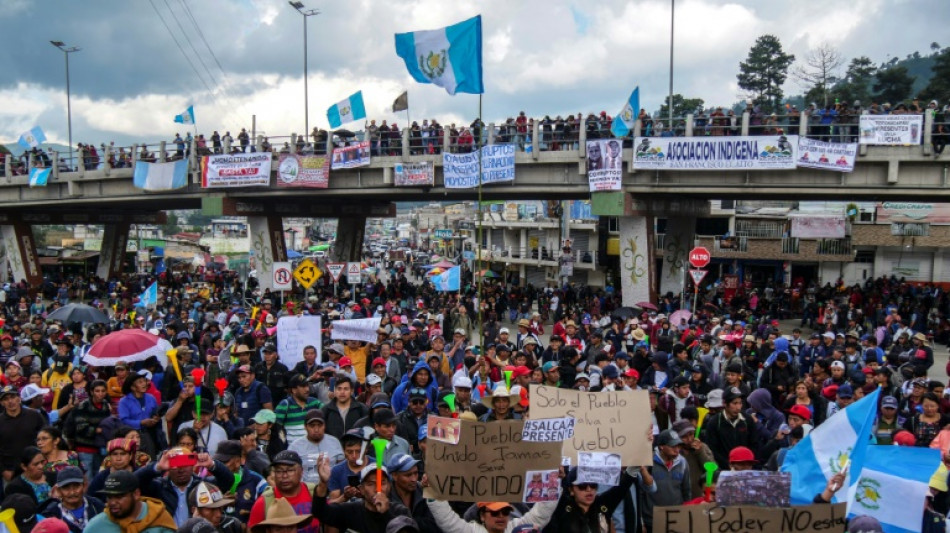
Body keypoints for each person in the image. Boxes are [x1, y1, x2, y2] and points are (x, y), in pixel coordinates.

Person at [135, 446, 235, 527]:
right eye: (175, 465)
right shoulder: (159, 487)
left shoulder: (202, 486)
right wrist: (157, 467)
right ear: (168, 468)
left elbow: (228, 480)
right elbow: (134, 482)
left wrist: (212, 464)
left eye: (185, 464)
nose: (181, 470)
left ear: (192, 465)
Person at [312, 457, 411, 533]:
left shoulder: (401, 512)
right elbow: (319, 512)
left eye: (382, 483)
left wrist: (385, 514)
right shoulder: (349, 511)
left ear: (389, 486)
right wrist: (323, 483)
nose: (377, 489)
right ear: (362, 489)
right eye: (371, 484)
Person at [247, 450, 320, 533]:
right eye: (279, 471)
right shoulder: (263, 503)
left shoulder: (315, 494)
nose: (284, 476)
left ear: (301, 471)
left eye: (290, 470)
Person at [84, 470, 177, 532]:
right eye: (109, 497)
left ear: (136, 494)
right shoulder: (97, 525)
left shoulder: (160, 519)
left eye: (119, 497)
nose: (112, 502)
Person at [703, 387, 759, 470]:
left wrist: (745, 464)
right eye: (734, 403)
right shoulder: (714, 423)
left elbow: (754, 444)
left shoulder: (747, 420)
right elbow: (712, 449)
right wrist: (728, 465)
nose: (738, 407)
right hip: (723, 469)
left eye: (740, 403)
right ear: (725, 403)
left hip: (745, 468)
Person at [644, 430, 690, 530]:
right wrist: (641, 521)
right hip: (652, 520)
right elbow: (640, 493)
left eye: (678, 446)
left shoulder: (683, 462)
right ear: (661, 446)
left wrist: (686, 515)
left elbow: (686, 491)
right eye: (673, 446)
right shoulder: (648, 462)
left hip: (676, 518)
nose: (677, 450)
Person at [63, 378, 111, 474]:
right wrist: (97, 430)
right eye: (97, 391)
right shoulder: (83, 406)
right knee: (87, 475)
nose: (100, 394)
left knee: (99, 474)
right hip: (85, 448)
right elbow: (81, 427)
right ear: (92, 392)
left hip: (100, 447)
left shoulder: (106, 406)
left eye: (103, 391)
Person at [37, 466, 104, 533]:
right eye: (66, 487)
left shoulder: (96, 506)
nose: (72, 492)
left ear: (84, 486)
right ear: (59, 490)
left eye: (76, 486)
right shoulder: (51, 515)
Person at [0, 384, 46, 481]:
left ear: (19, 398)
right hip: (10, 471)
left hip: (36, 468)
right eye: (6, 399)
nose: (10, 401)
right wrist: (3, 471)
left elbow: (46, 439)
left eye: (13, 397)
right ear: (2, 403)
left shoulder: (34, 415)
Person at [287, 409, 344, 484]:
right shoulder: (295, 446)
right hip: (306, 487)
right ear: (305, 427)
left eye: (320, 425)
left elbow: (342, 468)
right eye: (312, 426)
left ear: (324, 426)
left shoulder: (334, 442)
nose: (316, 430)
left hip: (331, 486)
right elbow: (289, 471)